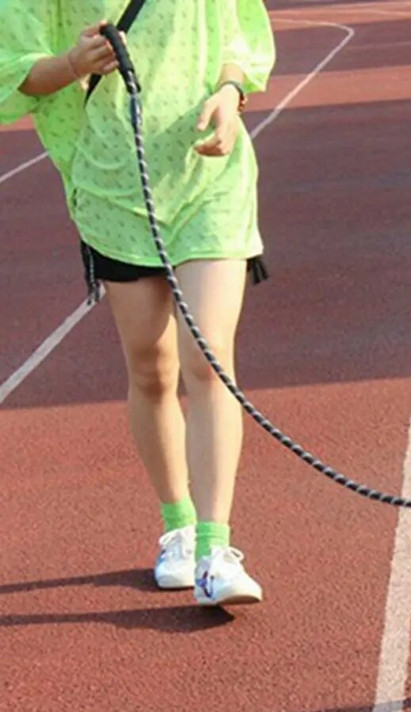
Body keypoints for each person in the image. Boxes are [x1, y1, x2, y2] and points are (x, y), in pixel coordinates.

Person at [0, 2, 276, 606]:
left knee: (208, 358)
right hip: (113, 184)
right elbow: (11, 70)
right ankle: (177, 525)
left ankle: (214, 548)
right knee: (152, 370)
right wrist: (72, 63)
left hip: (211, 176)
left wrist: (231, 93)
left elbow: (238, 36)